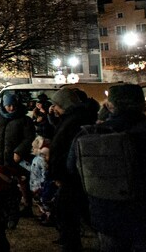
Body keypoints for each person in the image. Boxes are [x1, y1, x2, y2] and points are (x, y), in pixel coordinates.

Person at [69, 83, 146, 251]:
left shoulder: (91, 134)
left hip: (107, 214)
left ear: (110, 105)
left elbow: (72, 168)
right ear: (142, 104)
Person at [46, 87, 98, 252]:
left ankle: (72, 245)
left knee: (68, 211)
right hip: (72, 173)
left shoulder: (75, 120)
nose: (54, 108)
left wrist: (59, 173)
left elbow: (64, 146)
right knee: (71, 210)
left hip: (71, 175)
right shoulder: (74, 116)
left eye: (56, 104)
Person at [0, 92, 35, 216]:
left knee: (21, 181)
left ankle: (26, 205)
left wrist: (19, 151)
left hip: (15, 157)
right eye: (8, 105)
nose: (11, 108)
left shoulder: (24, 120)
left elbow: (29, 138)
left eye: (13, 105)